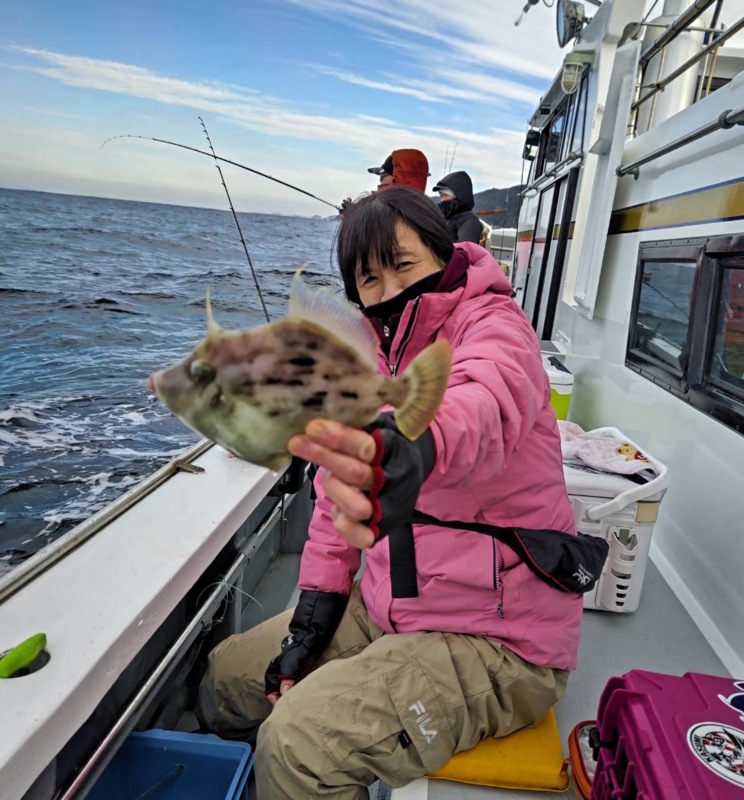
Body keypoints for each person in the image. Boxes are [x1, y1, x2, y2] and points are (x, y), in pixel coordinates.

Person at [197, 186, 583, 800]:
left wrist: (413, 445)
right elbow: (332, 503)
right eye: (367, 279)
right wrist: (310, 621)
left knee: (300, 745)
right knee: (227, 679)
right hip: (391, 606)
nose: (386, 290)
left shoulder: (495, 327)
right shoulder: (375, 360)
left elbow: (485, 401)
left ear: (443, 253)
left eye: (403, 265)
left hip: (499, 639)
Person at [433, 170, 483, 244]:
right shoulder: (445, 218)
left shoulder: (469, 221)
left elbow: (464, 252)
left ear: (459, 195)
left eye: (446, 195)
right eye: (441, 195)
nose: (442, 199)